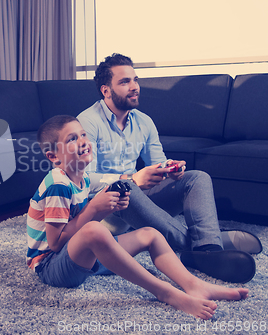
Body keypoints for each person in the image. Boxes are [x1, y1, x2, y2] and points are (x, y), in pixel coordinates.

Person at [26, 115, 249, 320]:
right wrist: (95, 209)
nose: (83, 140)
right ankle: (166, 293)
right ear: (54, 156)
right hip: (52, 267)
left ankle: (194, 285)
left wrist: (108, 206)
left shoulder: (82, 178)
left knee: (150, 234)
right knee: (94, 230)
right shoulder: (58, 185)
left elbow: (116, 180)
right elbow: (55, 244)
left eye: (83, 134)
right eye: (72, 139)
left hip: (82, 260)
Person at [77, 53, 262, 283]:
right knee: (125, 188)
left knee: (197, 178)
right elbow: (83, 180)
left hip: (140, 200)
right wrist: (132, 178)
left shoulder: (143, 121)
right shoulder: (86, 122)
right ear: (106, 90)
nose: (134, 87)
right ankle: (205, 242)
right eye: (125, 82)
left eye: (135, 80)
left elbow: (157, 162)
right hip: (106, 209)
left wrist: (170, 169)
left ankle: (207, 249)